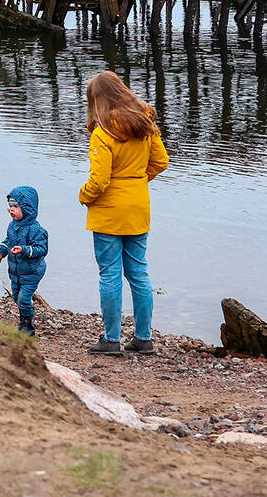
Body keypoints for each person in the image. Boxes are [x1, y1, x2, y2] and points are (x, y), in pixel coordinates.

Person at [78, 70, 169, 356]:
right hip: (138, 204)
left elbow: (100, 179)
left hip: (108, 211)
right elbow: (161, 162)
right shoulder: (145, 124)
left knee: (109, 273)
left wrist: (84, 195)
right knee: (139, 272)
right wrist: (137, 182)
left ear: (97, 100)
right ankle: (144, 338)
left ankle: (111, 339)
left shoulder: (103, 132)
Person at [0, 185, 48, 336]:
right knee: (17, 298)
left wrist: (24, 250)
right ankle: (23, 322)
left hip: (32, 272)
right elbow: (7, 242)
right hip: (15, 272)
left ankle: (29, 328)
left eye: (16, 206)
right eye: (10, 206)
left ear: (27, 208)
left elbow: (41, 249)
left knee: (24, 299)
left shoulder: (36, 230)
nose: (11, 210)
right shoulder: (12, 226)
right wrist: (0, 253)